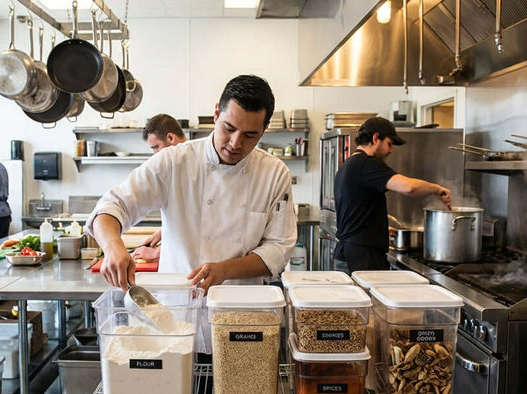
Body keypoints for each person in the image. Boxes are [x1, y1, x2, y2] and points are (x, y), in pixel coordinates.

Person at [86, 74, 297, 292]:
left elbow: (279, 248)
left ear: (265, 129)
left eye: (250, 135)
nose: (235, 143)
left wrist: (225, 270)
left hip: (239, 307)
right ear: (216, 113)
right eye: (229, 128)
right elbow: (112, 206)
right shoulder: (174, 162)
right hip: (177, 305)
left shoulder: (273, 173)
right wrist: (113, 247)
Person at [333, 117, 452, 273]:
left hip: (351, 253)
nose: (391, 151)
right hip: (361, 258)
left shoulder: (350, 164)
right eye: (389, 144)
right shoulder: (368, 164)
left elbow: (356, 209)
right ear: (376, 138)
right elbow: (408, 187)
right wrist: (437, 189)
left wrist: (378, 228)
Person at [131, 114, 188, 263]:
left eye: (156, 147)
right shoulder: (176, 165)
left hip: (188, 266)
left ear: (170, 138)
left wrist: (155, 253)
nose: (155, 154)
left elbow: (196, 230)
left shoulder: (191, 167)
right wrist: (163, 232)